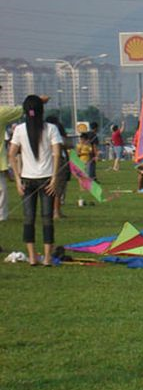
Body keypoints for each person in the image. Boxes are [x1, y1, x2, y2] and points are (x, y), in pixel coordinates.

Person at [8, 95, 61, 266]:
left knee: (28, 218)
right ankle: (46, 258)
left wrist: (17, 179)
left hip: (27, 180)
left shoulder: (19, 130)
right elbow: (57, 154)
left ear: (25, 111)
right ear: (42, 110)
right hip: (46, 179)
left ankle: (32, 257)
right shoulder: (51, 128)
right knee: (47, 219)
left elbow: (11, 154)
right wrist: (54, 178)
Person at [0, 86, 26, 221]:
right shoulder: (2, 112)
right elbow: (22, 109)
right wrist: (37, 102)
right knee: (1, 190)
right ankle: (1, 216)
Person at [45, 116, 70, 219]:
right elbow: (65, 144)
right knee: (58, 187)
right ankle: (56, 211)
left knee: (51, 187)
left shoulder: (44, 130)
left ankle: (52, 211)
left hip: (48, 160)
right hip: (59, 160)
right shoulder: (55, 129)